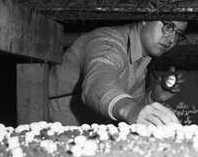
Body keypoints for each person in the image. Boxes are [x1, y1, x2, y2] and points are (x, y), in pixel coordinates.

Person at [49, 21, 188, 127]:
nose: (171, 39)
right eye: (168, 27)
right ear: (146, 19)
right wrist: (131, 110)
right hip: (47, 129)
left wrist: (153, 97)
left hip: (82, 135)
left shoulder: (141, 60)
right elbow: (97, 86)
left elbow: (132, 107)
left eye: (178, 34)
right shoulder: (108, 43)